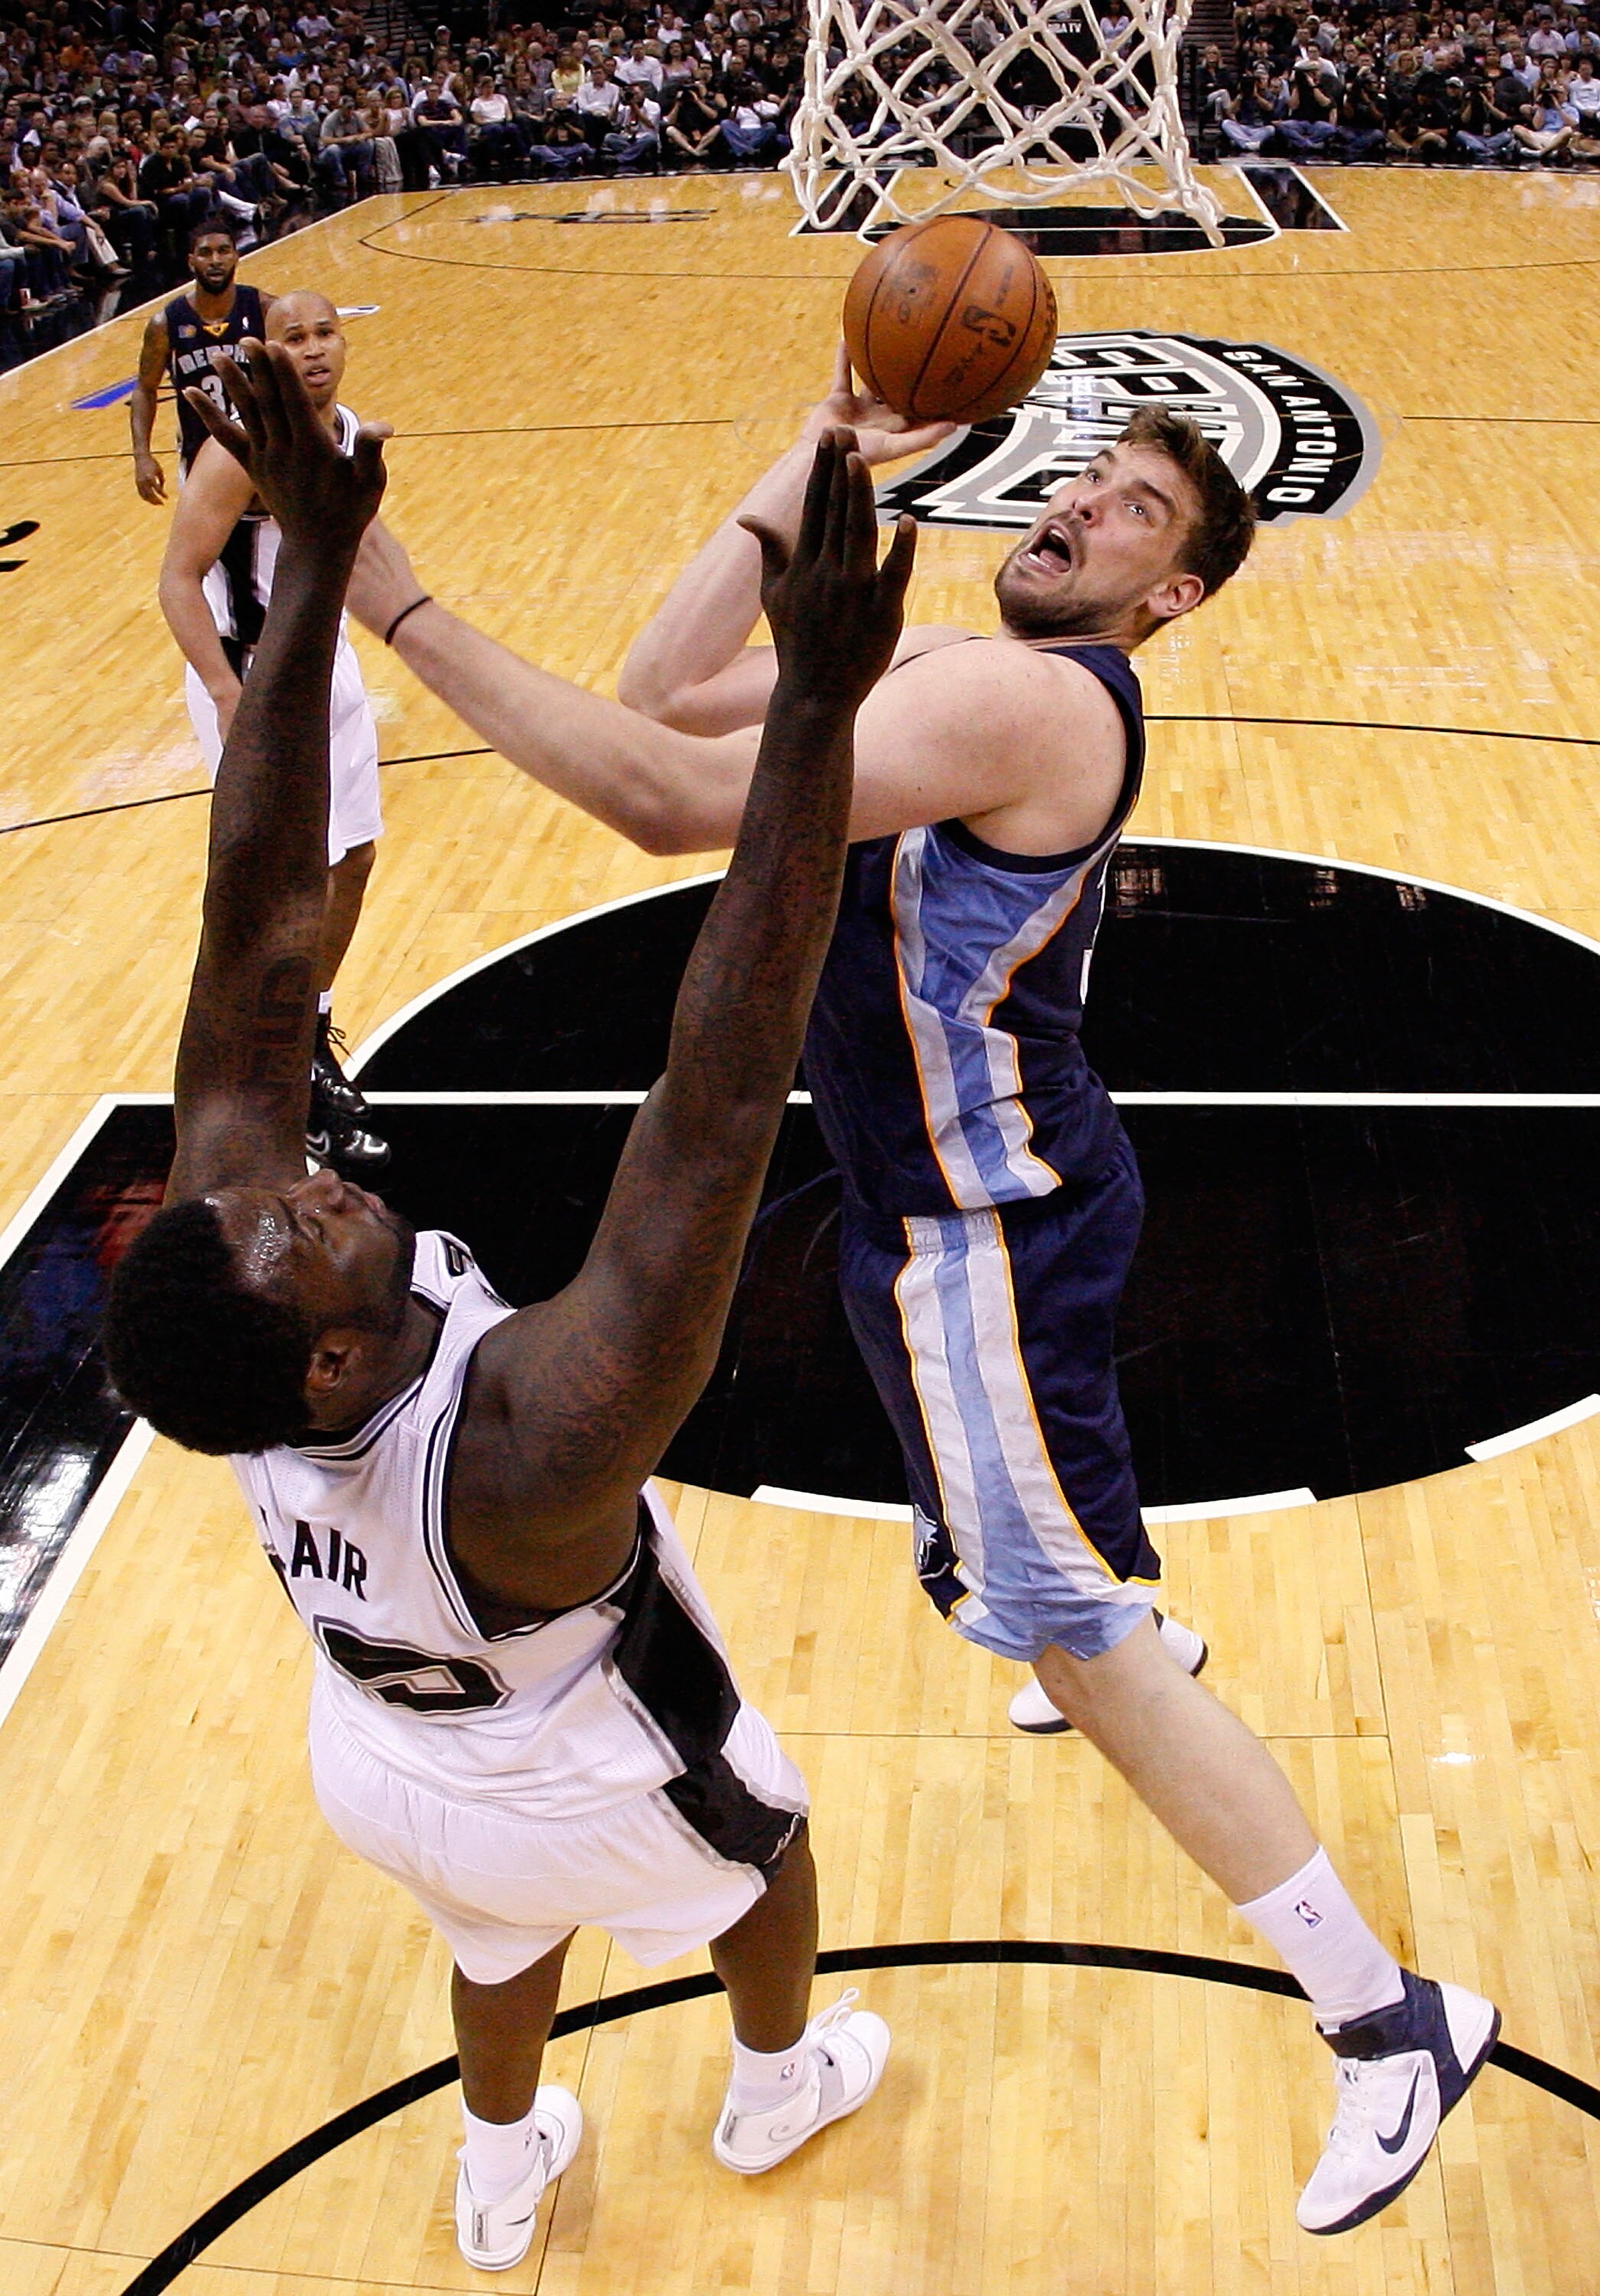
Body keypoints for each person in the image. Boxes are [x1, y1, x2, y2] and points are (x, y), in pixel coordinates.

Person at [345, 350, 1504, 2238]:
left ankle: (1385, 2019)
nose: (1070, 505)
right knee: (1012, 1554)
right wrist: (798, 466)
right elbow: (667, 691)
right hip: (937, 1213)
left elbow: (651, 795)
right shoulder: (935, 677)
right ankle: (1073, 1610)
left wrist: (387, 595)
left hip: (987, 1237)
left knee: (1064, 1619)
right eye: (1079, 476)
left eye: (1128, 508)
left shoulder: (1023, 700)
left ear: (1169, 598)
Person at [103, 344, 909, 2274]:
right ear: (326, 1354)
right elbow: (714, 1102)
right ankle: (776, 2073)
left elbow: (258, 912)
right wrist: (810, 717)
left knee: (489, 1928)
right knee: (763, 1853)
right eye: (303, 1220)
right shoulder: (535, 1438)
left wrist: (313, 562)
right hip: (574, 1742)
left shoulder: (243, 1332)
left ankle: (496, 2152)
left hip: (381, 1748)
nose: (308, 1179)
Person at [156, 291, 388, 1173]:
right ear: (272, 355)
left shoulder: (345, 429)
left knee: (354, 857)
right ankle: (262, 1083)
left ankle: (306, 1039)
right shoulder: (234, 453)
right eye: (294, 337)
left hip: (323, 661)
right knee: (275, 888)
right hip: (248, 677)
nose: (316, 348)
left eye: (325, 331)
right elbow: (178, 580)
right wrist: (223, 695)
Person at [130, 214, 275, 504]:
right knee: (206, 550)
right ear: (191, 261)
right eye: (205, 253)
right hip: (199, 456)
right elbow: (145, 389)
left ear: (236, 256)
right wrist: (142, 457)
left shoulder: (264, 308)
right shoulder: (165, 323)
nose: (215, 260)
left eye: (223, 251)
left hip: (264, 451)